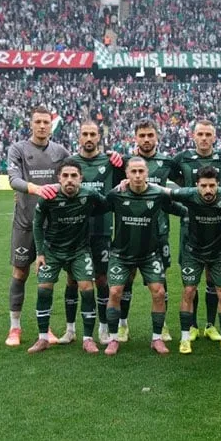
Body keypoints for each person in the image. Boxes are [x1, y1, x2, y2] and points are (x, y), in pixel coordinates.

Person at [103, 157, 187, 356]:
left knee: (159, 292)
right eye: (133, 171)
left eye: (141, 171)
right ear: (127, 174)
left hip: (150, 254)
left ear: (147, 173)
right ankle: (113, 338)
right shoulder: (116, 194)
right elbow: (97, 207)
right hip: (121, 254)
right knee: (114, 292)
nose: (138, 175)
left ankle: (157, 338)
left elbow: (180, 210)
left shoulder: (157, 194)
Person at [158, 165, 221, 355]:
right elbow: (164, 191)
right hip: (192, 252)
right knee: (189, 290)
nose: (208, 190)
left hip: (219, 252)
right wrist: (131, 183)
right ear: (197, 185)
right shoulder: (189, 194)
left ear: (218, 185)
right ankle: (185, 338)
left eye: (212, 186)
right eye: (204, 186)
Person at [27, 159, 109, 354]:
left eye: (74, 176)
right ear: (59, 178)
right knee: (44, 289)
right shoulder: (48, 197)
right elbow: (37, 224)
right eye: (65, 175)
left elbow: (107, 204)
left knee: (87, 288)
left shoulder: (89, 194)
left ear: (81, 178)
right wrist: (40, 253)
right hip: (52, 251)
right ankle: (43, 338)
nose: (69, 179)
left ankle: (88, 339)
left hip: (80, 251)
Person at [5, 106, 70, 347]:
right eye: (38, 122)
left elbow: (75, 174)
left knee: (46, 278)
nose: (42, 126)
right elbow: (14, 179)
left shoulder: (60, 151)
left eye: (46, 122)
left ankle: (46, 328)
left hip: (51, 226)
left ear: (51, 125)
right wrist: (36, 188)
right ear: (31, 124)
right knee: (20, 273)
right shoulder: (18, 149)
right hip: (24, 223)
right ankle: (15, 327)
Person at [171, 119, 221, 342]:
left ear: (215, 136)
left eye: (208, 134)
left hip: (217, 225)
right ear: (193, 136)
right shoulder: (182, 158)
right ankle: (191, 326)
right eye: (200, 134)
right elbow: (165, 173)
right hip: (190, 226)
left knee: (213, 278)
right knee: (191, 281)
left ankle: (210, 325)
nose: (204, 138)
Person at [61, 121, 124, 345]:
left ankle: (103, 329)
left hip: (102, 230)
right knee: (72, 280)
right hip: (75, 230)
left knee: (102, 278)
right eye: (85, 134)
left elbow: (128, 177)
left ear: (99, 137)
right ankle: (70, 330)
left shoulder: (110, 162)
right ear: (79, 137)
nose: (89, 138)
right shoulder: (70, 163)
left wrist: (121, 158)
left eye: (92, 134)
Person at [117, 119, 178, 343]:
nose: (146, 139)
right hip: (130, 230)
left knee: (161, 280)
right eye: (142, 135)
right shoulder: (123, 162)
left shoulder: (167, 162)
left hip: (158, 231)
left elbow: (187, 181)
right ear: (135, 138)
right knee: (127, 278)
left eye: (150, 135)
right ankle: (122, 324)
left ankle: (162, 326)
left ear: (157, 137)